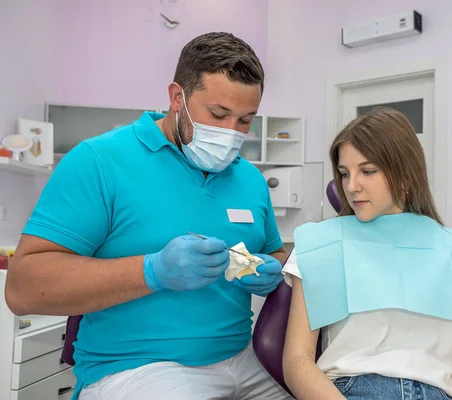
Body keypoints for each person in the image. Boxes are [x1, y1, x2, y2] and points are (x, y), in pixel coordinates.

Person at [5, 32, 291, 400]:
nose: (230, 134)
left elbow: (276, 251)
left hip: (242, 357)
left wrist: (270, 268)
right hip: (135, 367)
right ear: (177, 97)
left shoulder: (249, 178)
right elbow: (23, 287)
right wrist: (152, 270)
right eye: (218, 114)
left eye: (245, 121)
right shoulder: (99, 161)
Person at [282, 109, 452, 399]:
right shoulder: (320, 245)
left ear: (405, 176)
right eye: (345, 173)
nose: (351, 186)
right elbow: (298, 360)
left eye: (368, 171)